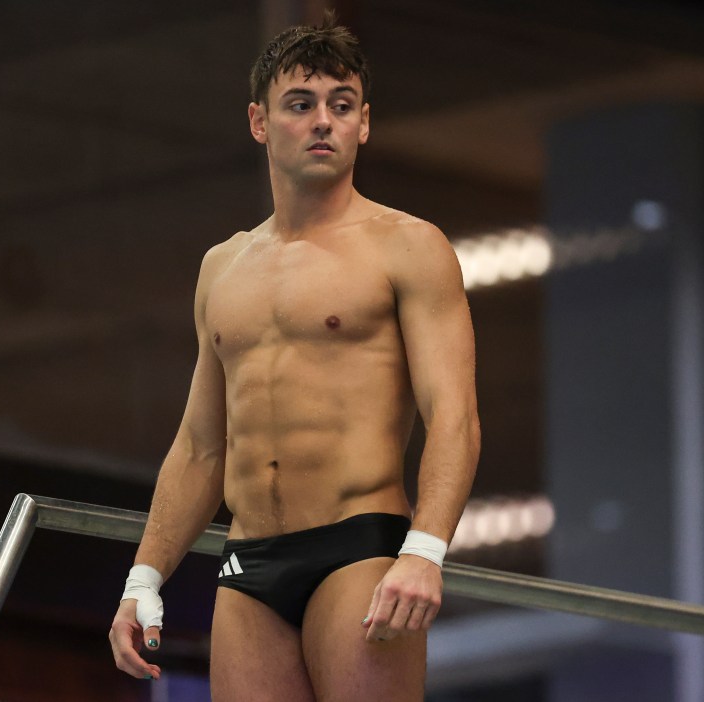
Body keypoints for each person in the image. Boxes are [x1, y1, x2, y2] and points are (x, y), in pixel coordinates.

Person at [108, 14, 480, 701]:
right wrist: (144, 579)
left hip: (360, 549)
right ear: (259, 122)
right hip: (249, 561)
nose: (323, 123)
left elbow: (452, 414)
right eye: (301, 105)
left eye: (342, 107)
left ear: (364, 124)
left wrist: (425, 551)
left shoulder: (409, 246)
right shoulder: (222, 267)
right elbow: (199, 447)